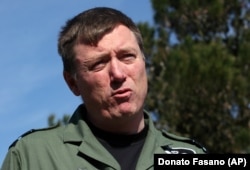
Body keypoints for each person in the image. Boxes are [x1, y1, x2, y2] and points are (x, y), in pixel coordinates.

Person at [1, 7, 207, 170]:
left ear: (144, 63)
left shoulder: (192, 155)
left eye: (127, 56)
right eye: (98, 64)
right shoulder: (33, 156)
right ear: (73, 83)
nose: (118, 74)